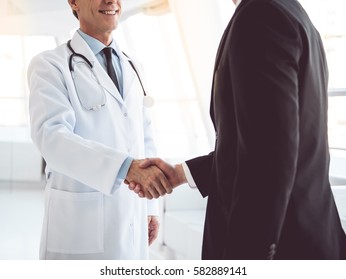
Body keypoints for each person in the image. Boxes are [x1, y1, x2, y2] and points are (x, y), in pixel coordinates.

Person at [129, 0, 346, 259]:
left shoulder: (261, 15)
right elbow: (263, 141)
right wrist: (180, 173)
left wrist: (247, 257)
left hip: (283, 242)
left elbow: (269, 157)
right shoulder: (293, 12)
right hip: (312, 232)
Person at [28, 0, 172, 260]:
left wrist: (150, 206)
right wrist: (126, 167)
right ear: (73, 2)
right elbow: (52, 137)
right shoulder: (49, 65)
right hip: (80, 223)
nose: (111, 1)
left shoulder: (132, 66)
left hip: (132, 213)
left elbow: (144, 137)